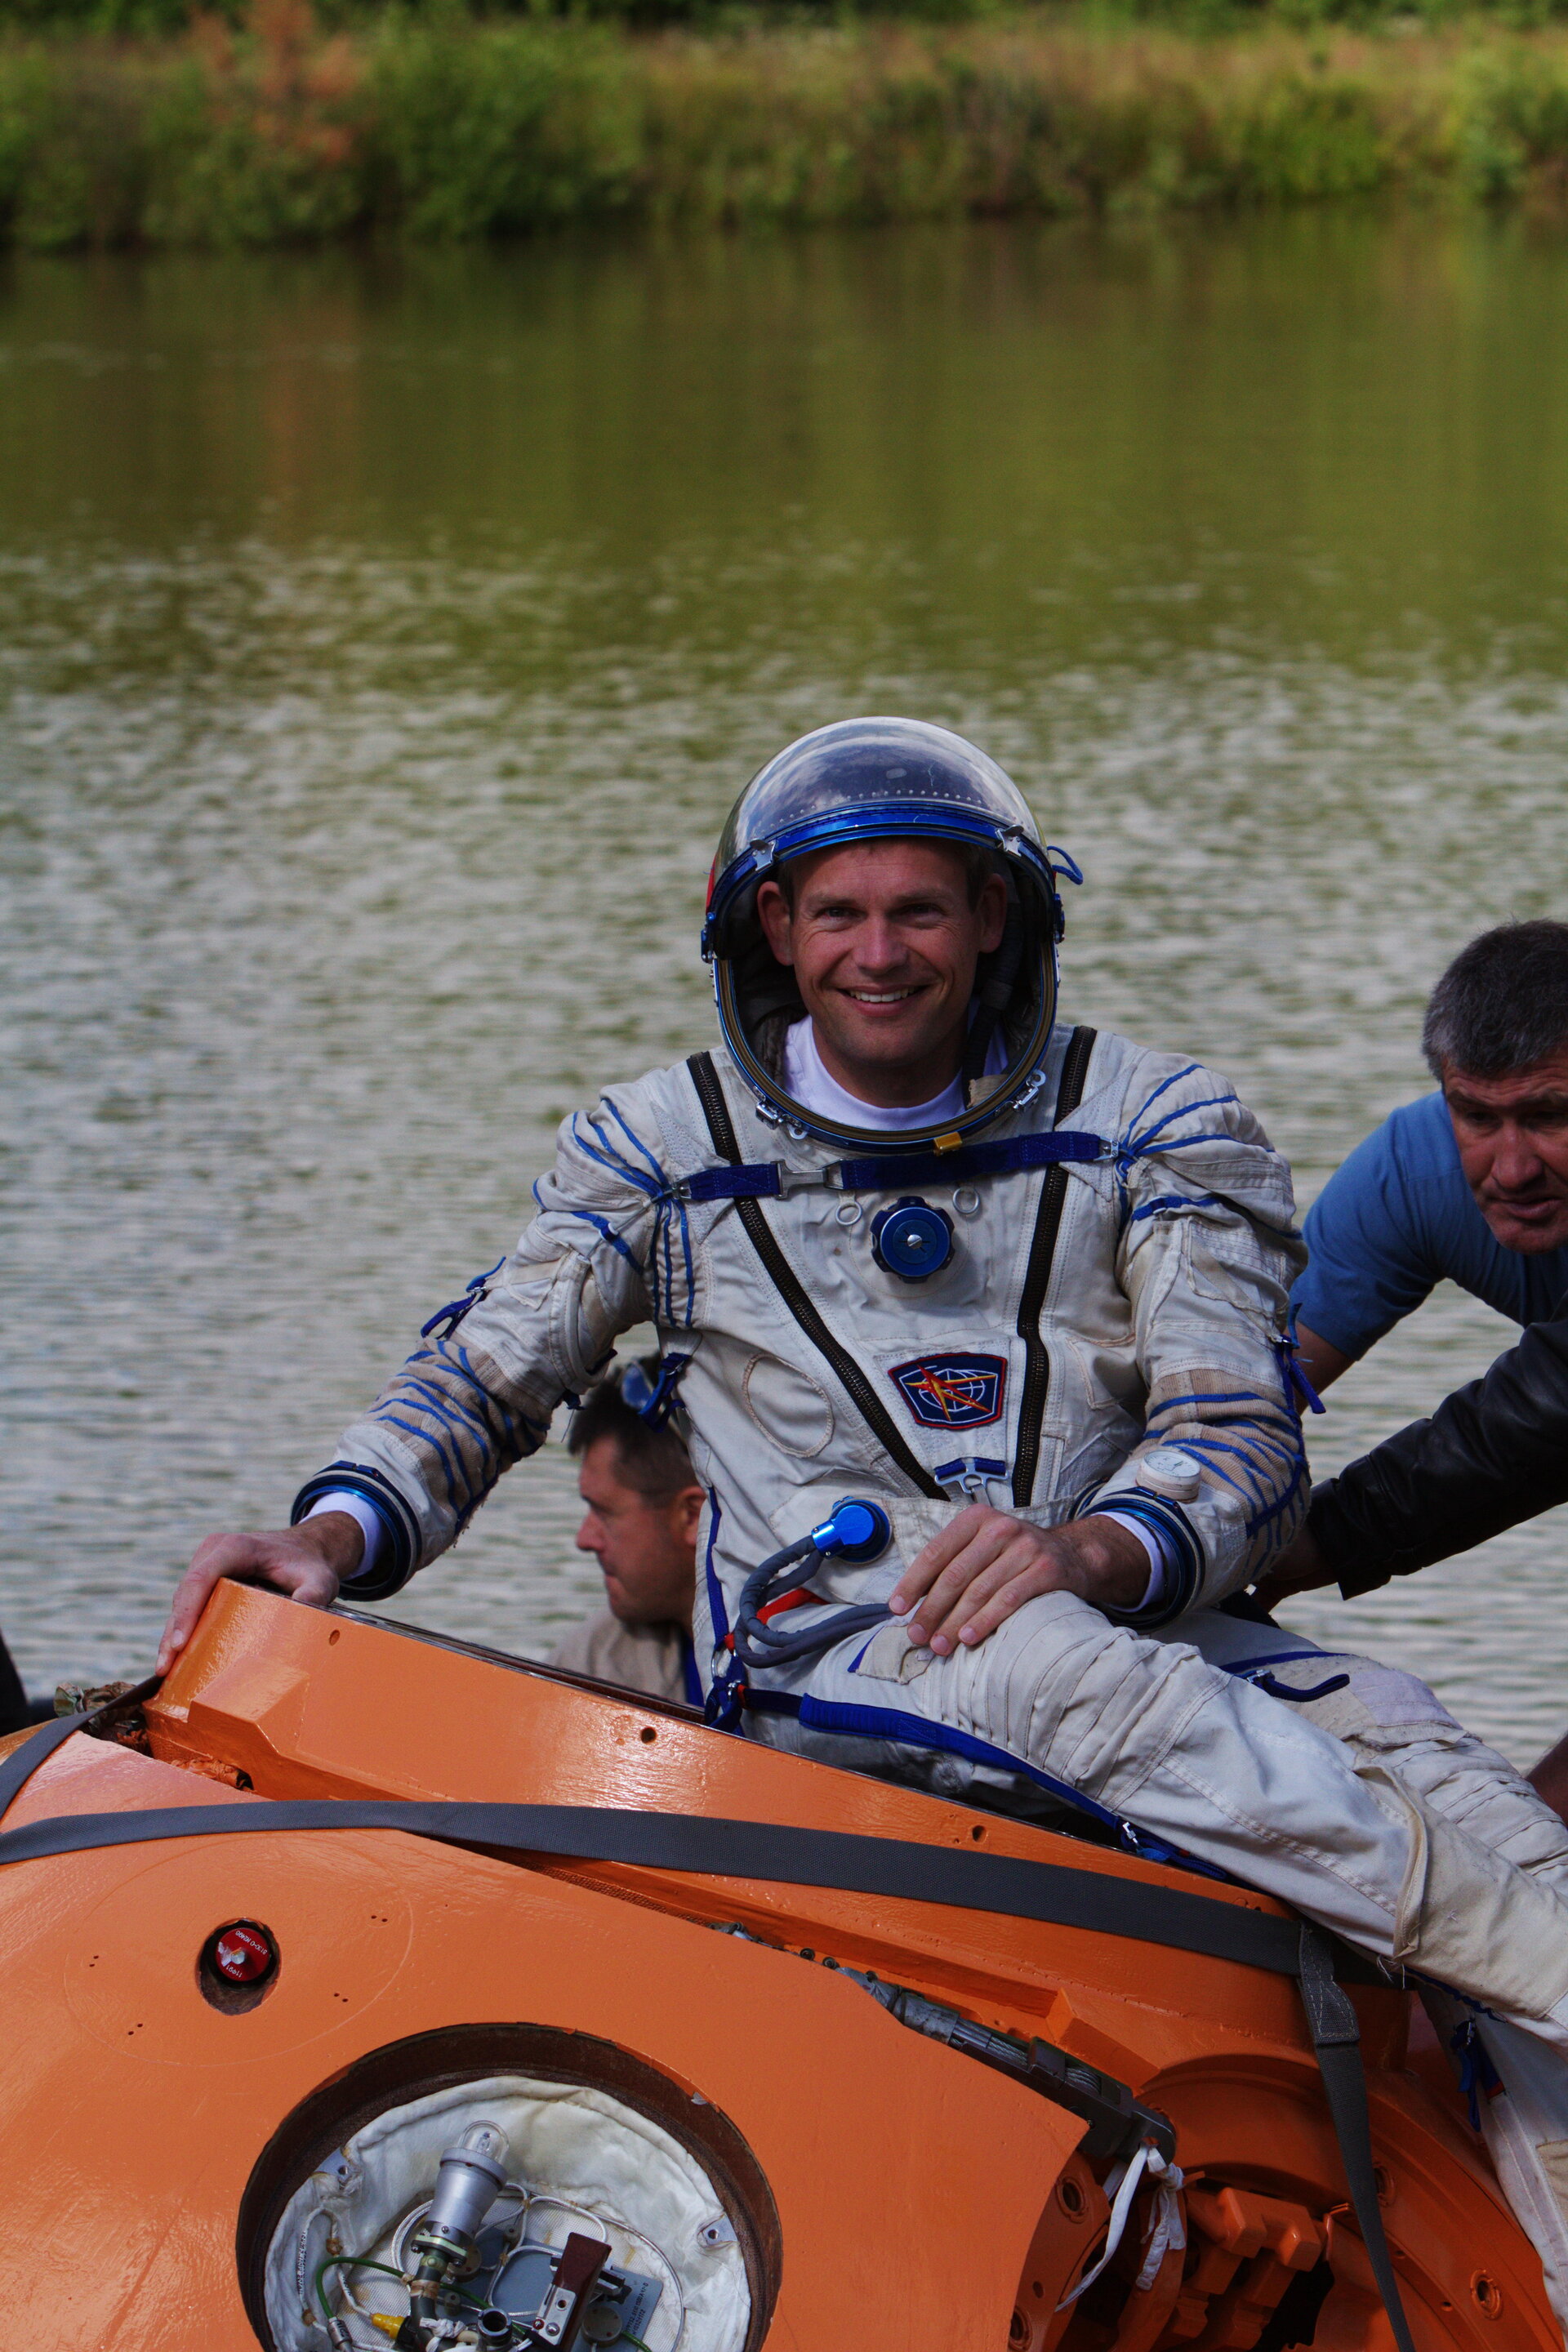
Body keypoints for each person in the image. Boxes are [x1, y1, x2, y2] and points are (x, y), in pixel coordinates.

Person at [158, 718, 1568, 2326]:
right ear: (773, 928)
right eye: (838, 914)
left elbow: (1236, 1441)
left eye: (918, 913)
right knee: (1053, 1669)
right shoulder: (658, 1151)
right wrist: (332, 1539)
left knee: (1423, 1746)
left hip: (1130, 1612)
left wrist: (1091, 1549)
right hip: (823, 1644)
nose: (878, 955)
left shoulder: (1160, 1124)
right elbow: (484, 1379)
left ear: (993, 918)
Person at [1292, 921, 1568, 1398]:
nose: (1512, 1173)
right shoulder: (1411, 1172)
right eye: (1477, 1116)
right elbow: (1246, 1404)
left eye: (1548, 1116)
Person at [549, 1360, 703, 1706]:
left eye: (604, 1511)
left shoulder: (819, 1665)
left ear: (692, 1516)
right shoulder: (590, 1664)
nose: (584, 1539)